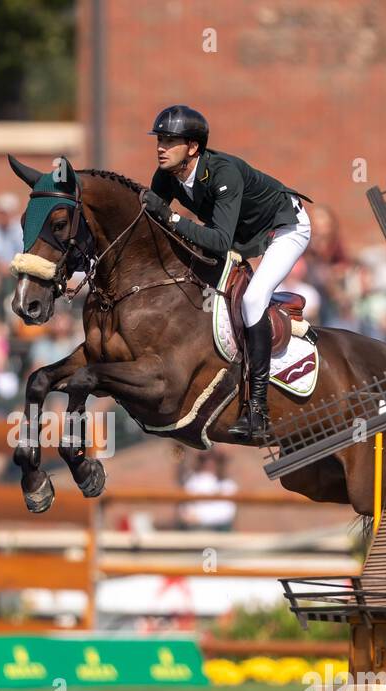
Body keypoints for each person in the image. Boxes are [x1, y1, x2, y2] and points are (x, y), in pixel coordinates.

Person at [139, 105, 313, 441]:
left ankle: (257, 410)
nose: (161, 147)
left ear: (193, 148)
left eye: (170, 140)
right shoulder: (166, 176)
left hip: (285, 226)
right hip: (242, 236)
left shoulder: (223, 173)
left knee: (252, 301)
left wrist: (173, 219)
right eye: (160, 139)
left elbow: (218, 240)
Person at [178, 450, 239, 532]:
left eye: (214, 460)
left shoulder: (228, 485)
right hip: (194, 530)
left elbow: (227, 513)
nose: (209, 463)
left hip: (219, 531)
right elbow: (185, 509)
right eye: (204, 459)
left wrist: (201, 518)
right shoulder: (192, 481)